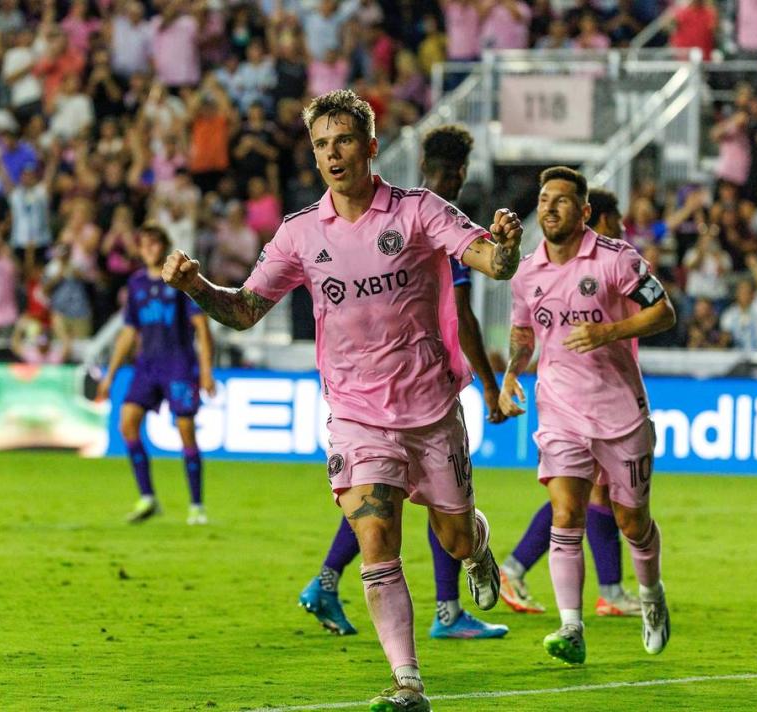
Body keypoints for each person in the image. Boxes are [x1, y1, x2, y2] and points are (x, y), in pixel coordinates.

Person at [162, 90, 523, 711]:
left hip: (432, 410)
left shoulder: (416, 212)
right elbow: (246, 310)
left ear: (371, 147)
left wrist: (508, 245)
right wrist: (197, 285)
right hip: (356, 415)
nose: (333, 154)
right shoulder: (302, 233)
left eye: (344, 140)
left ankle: (481, 551)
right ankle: (409, 681)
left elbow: (491, 261)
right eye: (322, 144)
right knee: (377, 536)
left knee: (456, 539)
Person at [297, 124, 509, 643]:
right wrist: (488, 383)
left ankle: (342, 582)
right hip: (397, 389)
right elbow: (463, 316)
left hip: (416, 388)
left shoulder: (420, 215)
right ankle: (439, 614)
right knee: (385, 505)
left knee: (415, 508)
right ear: (457, 173)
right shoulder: (426, 224)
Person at [499, 167, 676, 666]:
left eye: (561, 200)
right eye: (543, 199)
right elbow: (522, 333)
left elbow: (664, 312)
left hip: (620, 412)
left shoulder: (617, 259)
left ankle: (650, 596)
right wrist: (513, 372)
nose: (549, 207)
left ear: (583, 212)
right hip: (558, 411)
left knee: (632, 522)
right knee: (566, 514)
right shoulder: (527, 271)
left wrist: (608, 332)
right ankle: (571, 626)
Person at [97, 224, 216, 526]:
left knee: (186, 431)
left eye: (154, 244)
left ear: (163, 247)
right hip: (146, 366)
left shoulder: (179, 282)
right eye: (144, 244)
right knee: (127, 423)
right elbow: (128, 331)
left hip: (178, 365)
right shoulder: (136, 283)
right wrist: (110, 374)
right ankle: (148, 498)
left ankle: (196, 505)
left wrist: (205, 371)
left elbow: (201, 326)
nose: (148, 248)